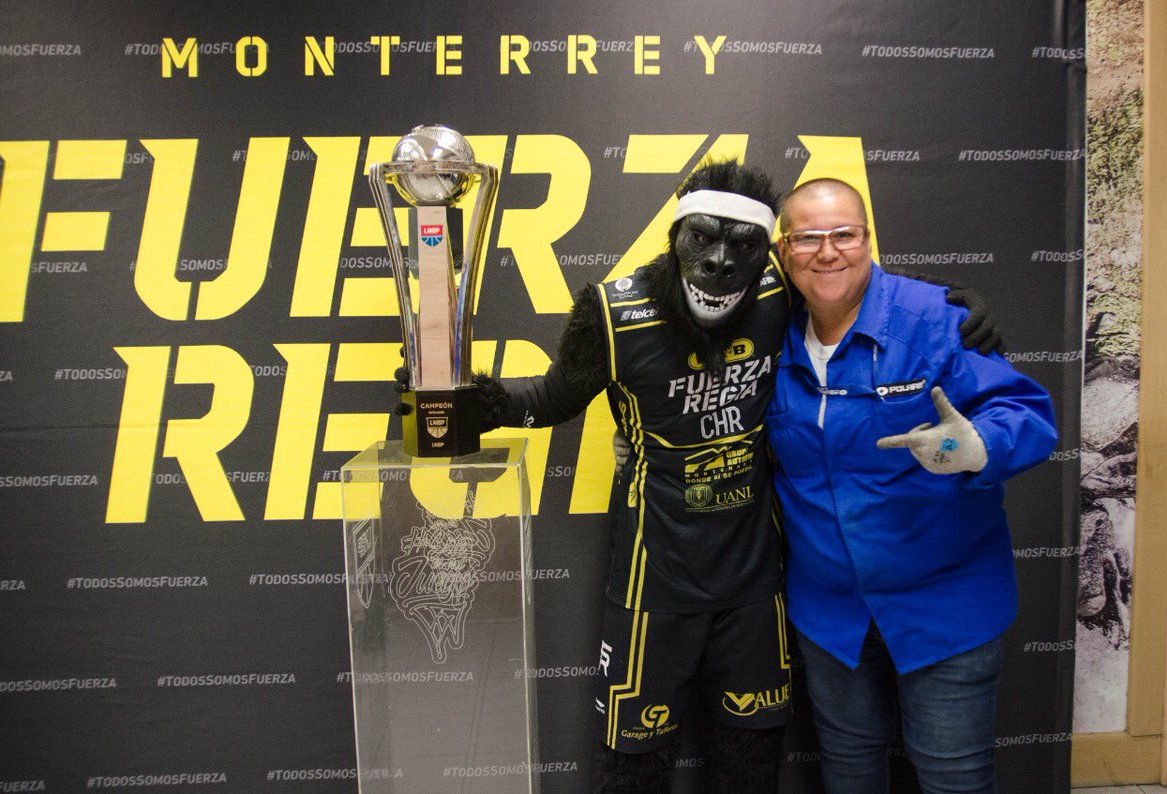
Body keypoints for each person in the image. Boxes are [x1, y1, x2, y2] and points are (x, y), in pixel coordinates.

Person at [396, 161, 1004, 792]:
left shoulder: (777, 291)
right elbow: (552, 398)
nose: (718, 263)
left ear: (764, 252)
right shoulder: (613, 310)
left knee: (750, 763)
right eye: (702, 239)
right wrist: (466, 405)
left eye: (741, 246)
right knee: (632, 766)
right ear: (676, 234)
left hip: (754, 580)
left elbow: (846, 283)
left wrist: (948, 302)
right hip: (651, 580)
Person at [766, 178, 1058, 793]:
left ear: (868, 240)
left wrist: (977, 445)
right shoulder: (768, 335)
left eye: (844, 234)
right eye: (808, 238)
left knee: (955, 778)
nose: (828, 252)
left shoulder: (933, 319)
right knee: (848, 768)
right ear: (782, 250)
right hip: (831, 614)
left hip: (945, 606)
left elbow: (1028, 418)